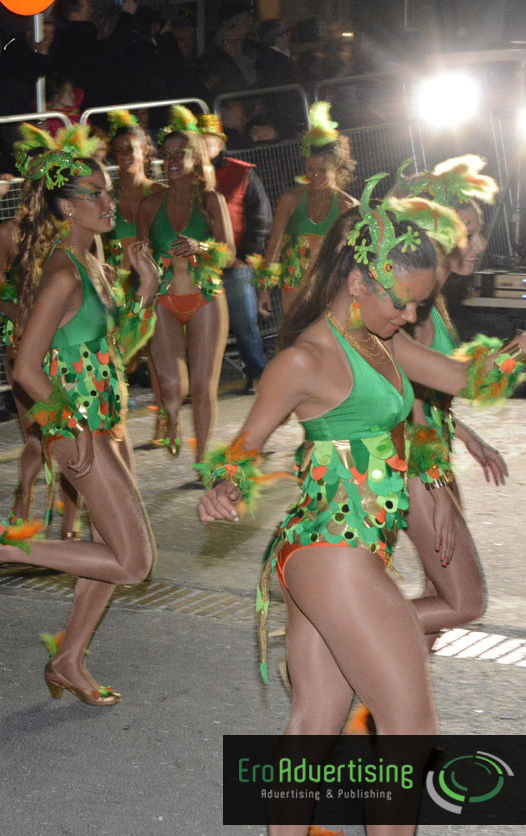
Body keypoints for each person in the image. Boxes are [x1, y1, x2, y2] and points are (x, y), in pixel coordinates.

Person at [197, 181, 526, 833]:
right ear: (357, 279)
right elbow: (242, 448)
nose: (410, 317)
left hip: (326, 554)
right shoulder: (305, 358)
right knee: (406, 733)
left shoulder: (382, 344)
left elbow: (472, 381)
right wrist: (224, 487)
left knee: (314, 723)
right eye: (403, 302)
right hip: (334, 555)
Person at [0, 145, 161, 706]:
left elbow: (117, 349)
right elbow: (25, 365)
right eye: (95, 194)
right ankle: (1, 548)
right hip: (78, 429)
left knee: (108, 549)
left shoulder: (91, 261)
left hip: (102, 422)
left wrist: (145, 287)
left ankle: (68, 659)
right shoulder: (63, 273)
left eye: (108, 190)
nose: (108, 200)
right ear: (67, 208)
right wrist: (68, 424)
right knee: (135, 561)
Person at [392, 157, 504, 649]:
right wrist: (433, 482)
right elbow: (431, 389)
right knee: (460, 598)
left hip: (429, 451)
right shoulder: (412, 305)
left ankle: (398, 704)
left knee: (442, 591)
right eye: (469, 233)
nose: (478, 246)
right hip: (415, 459)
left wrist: (465, 434)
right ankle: (334, 633)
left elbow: (424, 388)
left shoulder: (431, 297)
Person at [0, 125, 92, 538]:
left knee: (72, 431)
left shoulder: (73, 234)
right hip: (27, 349)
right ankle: (24, 496)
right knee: (36, 437)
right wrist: (21, 315)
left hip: (70, 351)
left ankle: (69, 518)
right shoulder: (8, 234)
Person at [137, 106, 234, 463]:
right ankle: (172, 420)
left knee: (204, 386)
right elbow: (141, 257)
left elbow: (229, 253)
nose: (171, 161)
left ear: (196, 158)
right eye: (166, 156)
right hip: (164, 301)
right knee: (173, 387)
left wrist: (201, 246)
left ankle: (203, 459)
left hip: (205, 299)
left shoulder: (211, 200)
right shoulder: (150, 205)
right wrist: (138, 261)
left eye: (180, 154)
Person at [102, 110, 169, 446]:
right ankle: (115, 422)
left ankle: (164, 420)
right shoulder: (106, 196)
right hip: (114, 287)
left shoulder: (160, 192)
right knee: (119, 359)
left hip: (150, 281)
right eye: (120, 150)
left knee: (157, 353)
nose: (126, 155)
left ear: (146, 150)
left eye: (132, 148)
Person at [256, 102, 357, 318]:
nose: (315, 176)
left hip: (330, 286)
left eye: (322, 170)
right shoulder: (290, 200)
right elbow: (274, 246)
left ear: (338, 165)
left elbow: (354, 256)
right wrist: (265, 289)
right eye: (310, 169)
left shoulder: (348, 206)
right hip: (293, 285)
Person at [199, 112, 271, 393]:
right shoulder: (189, 177)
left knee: (245, 325)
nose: (204, 148)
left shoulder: (242, 171)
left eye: (208, 142)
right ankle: (203, 382)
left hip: (235, 264)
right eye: (199, 143)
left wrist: (245, 256)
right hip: (200, 266)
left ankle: (256, 373)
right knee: (202, 329)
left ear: (219, 143)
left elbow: (260, 217)